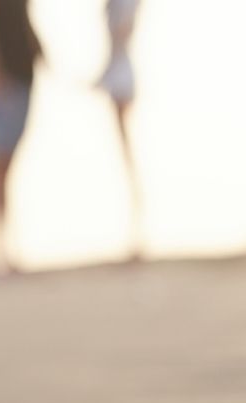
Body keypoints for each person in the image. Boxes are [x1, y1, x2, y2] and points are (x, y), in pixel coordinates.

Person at [0, 0, 43, 276]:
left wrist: (40, 51)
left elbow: (25, 19)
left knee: (9, 164)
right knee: (2, 164)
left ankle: (8, 249)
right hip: (9, 79)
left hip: (26, 73)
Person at [96, 0, 145, 261]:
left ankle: (137, 235)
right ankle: (135, 235)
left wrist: (104, 75)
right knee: (126, 157)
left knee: (128, 158)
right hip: (118, 75)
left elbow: (120, 40)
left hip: (121, 77)